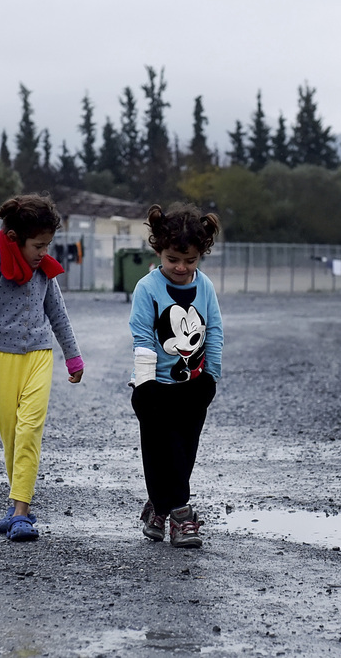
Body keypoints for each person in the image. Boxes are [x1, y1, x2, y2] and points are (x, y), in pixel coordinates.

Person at [0, 193, 84, 542]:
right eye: (38, 245)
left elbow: (57, 312)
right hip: (2, 355)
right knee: (11, 433)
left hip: (40, 354)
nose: (44, 253)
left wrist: (72, 355)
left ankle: (20, 513)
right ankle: (19, 504)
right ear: (16, 238)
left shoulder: (43, 270)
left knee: (30, 428)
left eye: (48, 244)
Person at [128, 202, 223, 548]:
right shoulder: (147, 288)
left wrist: (211, 376)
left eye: (190, 260)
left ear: (200, 255)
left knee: (184, 452)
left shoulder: (206, 288)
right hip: (155, 390)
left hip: (193, 388)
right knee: (158, 451)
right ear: (159, 251)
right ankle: (182, 517)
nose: (181, 267)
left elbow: (214, 330)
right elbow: (141, 336)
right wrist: (145, 384)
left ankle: (159, 507)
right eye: (173, 259)